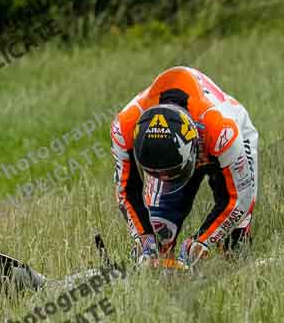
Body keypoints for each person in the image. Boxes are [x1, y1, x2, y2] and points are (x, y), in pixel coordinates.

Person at [110, 66, 258, 270]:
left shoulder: (223, 129)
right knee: (160, 238)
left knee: (234, 247)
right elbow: (126, 191)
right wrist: (144, 238)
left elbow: (241, 197)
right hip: (184, 146)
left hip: (227, 145)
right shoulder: (123, 126)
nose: (167, 179)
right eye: (158, 174)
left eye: (172, 173)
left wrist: (202, 241)